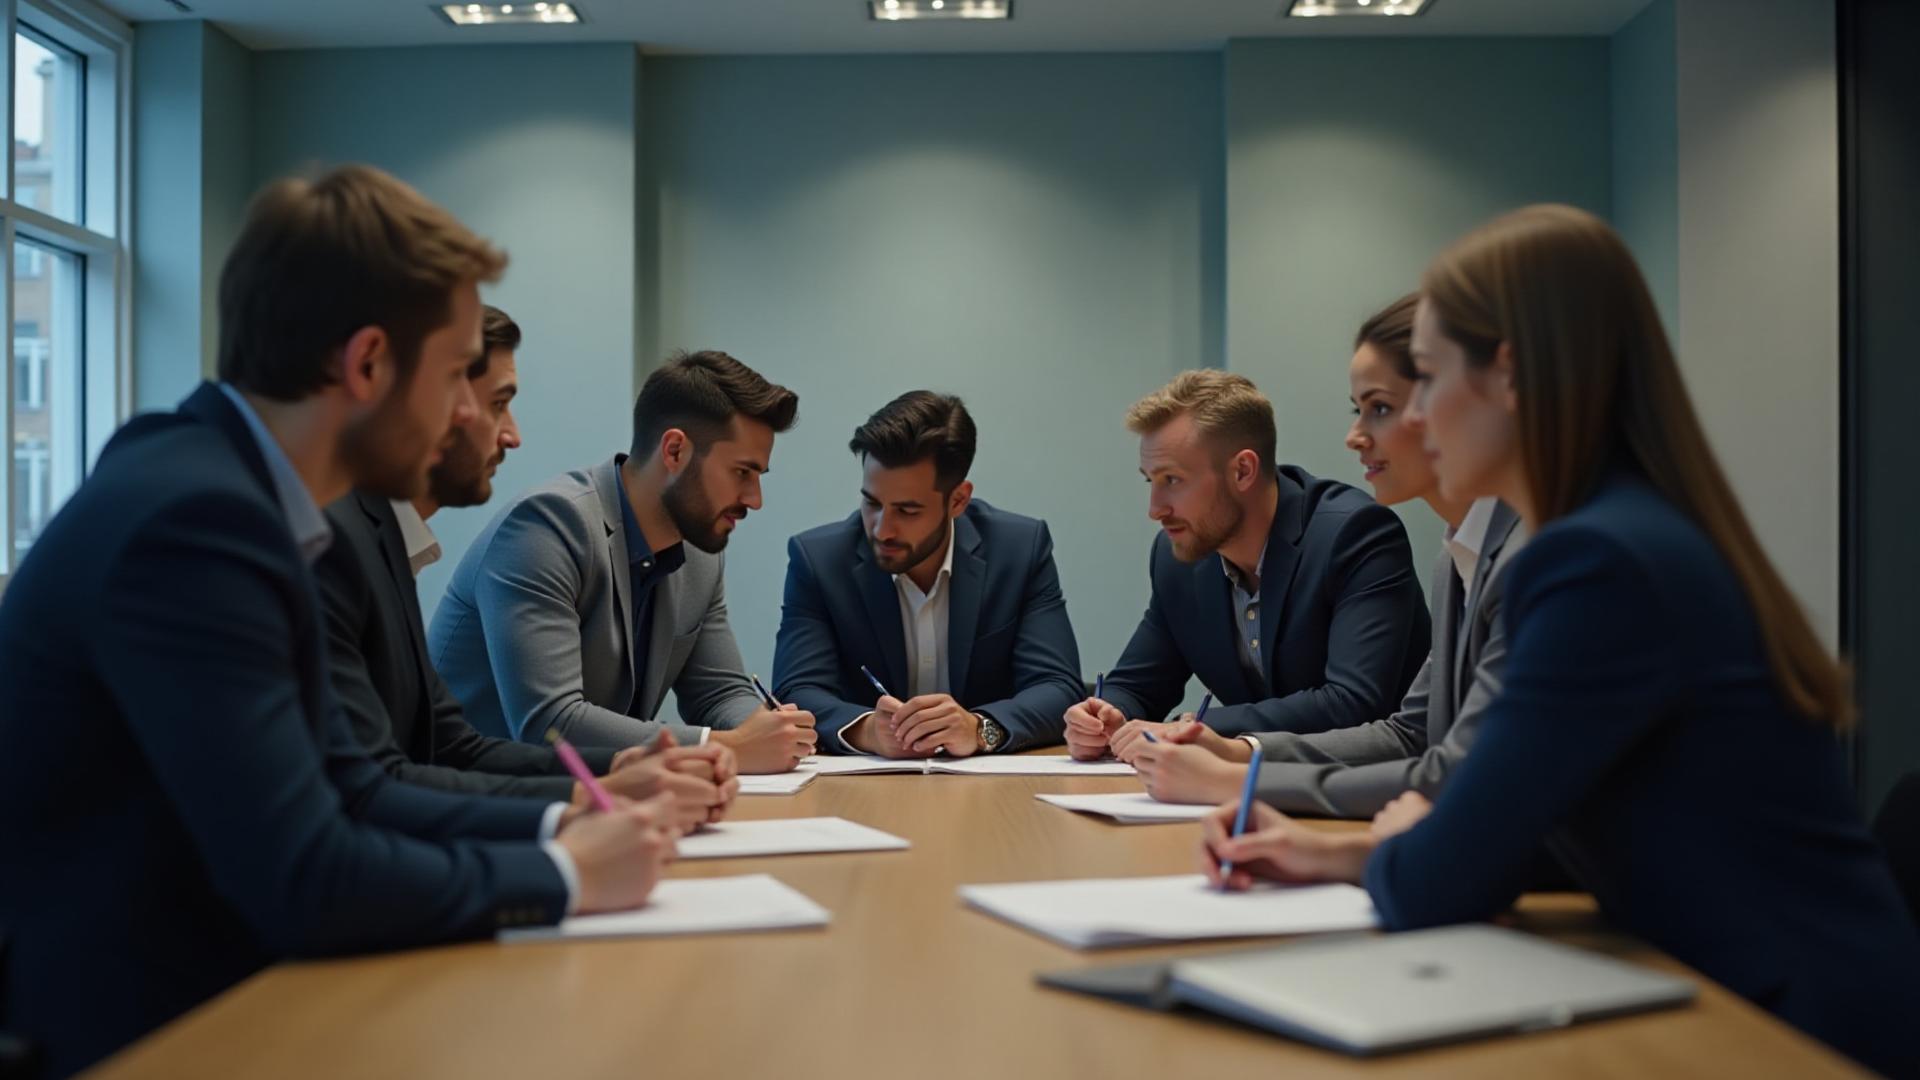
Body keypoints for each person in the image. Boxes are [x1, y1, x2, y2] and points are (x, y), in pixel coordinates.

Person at [1196, 204, 1920, 1078]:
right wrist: (1343, 848)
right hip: (1729, 982)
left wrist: (1411, 845)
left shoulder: (1593, 560)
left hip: (1782, 1026)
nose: (1411, 422)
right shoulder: (1623, 527)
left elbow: (1448, 873)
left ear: (1508, 374)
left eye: (1424, 381)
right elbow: (1550, 823)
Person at [0, 165, 676, 1078]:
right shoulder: (199, 523)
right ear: (365, 365)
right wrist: (567, 874)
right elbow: (307, 875)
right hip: (155, 1032)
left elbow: (354, 787)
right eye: (453, 377)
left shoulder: (230, 490)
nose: (471, 412)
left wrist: (567, 837)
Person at [315, 304, 738, 831]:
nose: (512, 435)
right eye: (498, 404)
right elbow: (372, 790)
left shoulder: (382, 530)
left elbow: (452, 746)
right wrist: (565, 859)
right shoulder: (338, 538)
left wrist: (617, 772)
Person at [1130, 297, 1523, 816]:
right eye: (1357, 409)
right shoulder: (1457, 557)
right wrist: (1240, 753)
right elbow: (1411, 734)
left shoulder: (1530, 556)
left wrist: (1237, 781)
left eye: (1380, 408)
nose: (1355, 436)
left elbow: (1453, 773)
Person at [429, 350, 818, 773]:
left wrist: (771, 730)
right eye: (742, 472)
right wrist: (726, 746)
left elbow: (719, 693)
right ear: (674, 451)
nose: (754, 500)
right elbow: (549, 723)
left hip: (594, 797)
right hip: (466, 800)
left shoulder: (699, 552)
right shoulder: (545, 528)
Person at [1062, 369, 1429, 755]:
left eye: (1172, 480)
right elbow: (1138, 685)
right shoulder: (1178, 558)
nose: (1155, 509)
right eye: (1149, 481)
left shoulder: (1355, 535)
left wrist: (1191, 729)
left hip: (1372, 790)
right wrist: (1106, 716)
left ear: (1243, 471)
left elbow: (1352, 702)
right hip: (1242, 790)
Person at [772, 391, 1082, 756]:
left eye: (907, 510)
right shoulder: (819, 560)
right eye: (872, 503)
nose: (882, 529)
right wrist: (867, 730)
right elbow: (796, 690)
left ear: (958, 500)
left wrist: (979, 728)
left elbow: (1058, 687)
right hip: (862, 786)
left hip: (988, 788)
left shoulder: (1019, 550)